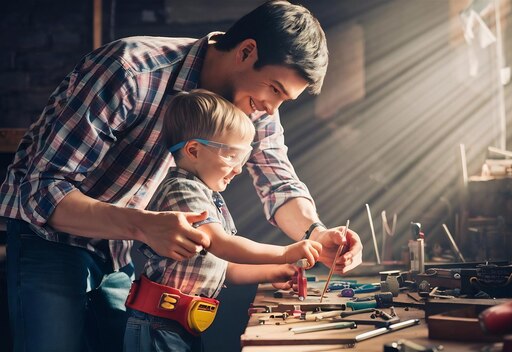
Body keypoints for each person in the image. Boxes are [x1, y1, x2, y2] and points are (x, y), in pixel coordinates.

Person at [0, 1, 363, 351]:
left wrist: (317, 233)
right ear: (247, 51)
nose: (272, 108)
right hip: (49, 237)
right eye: (275, 90)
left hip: (117, 245)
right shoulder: (130, 70)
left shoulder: (257, 106)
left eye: (285, 100)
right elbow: (42, 191)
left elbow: (278, 180)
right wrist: (141, 225)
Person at [123, 89, 323, 351]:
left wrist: (273, 271)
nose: (239, 168)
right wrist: (285, 253)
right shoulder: (182, 190)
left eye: (243, 157)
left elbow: (223, 266)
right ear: (193, 150)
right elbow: (221, 244)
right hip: (158, 325)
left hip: (180, 324)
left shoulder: (206, 194)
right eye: (231, 156)